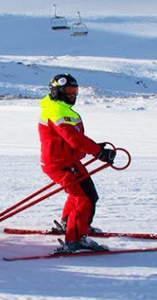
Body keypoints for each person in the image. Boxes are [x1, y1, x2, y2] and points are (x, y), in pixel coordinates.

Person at [38, 73, 116, 254]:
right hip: (60, 164)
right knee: (85, 199)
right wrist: (98, 152)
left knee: (85, 195)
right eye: (69, 91)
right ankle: (75, 238)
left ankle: (69, 224)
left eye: (75, 91)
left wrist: (96, 148)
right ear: (57, 91)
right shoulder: (56, 110)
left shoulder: (60, 108)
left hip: (68, 161)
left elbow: (74, 140)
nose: (73, 95)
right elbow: (73, 138)